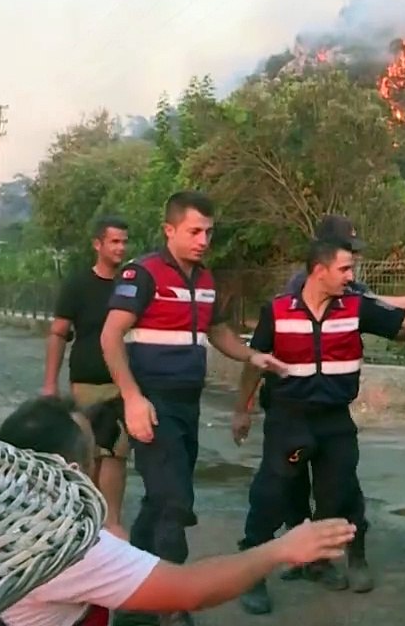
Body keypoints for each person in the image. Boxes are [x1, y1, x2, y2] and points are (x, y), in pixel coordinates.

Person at [232, 239, 405, 615]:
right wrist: (242, 409)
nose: (352, 277)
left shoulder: (354, 307)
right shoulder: (277, 310)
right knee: (272, 494)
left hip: (335, 419)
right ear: (318, 271)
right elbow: (254, 364)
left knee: (338, 496)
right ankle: (251, 573)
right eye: (345, 269)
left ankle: (322, 560)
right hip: (289, 418)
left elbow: (403, 325)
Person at [0, 395, 356, 626]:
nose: (98, 464)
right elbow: (191, 590)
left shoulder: (2, 510)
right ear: (71, 471)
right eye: (93, 456)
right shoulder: (67, 547)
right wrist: (282, 549)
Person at [99, 190, 289, 626]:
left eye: (208, 231)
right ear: (170, 230)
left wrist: (251, 357)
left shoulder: (205, 278)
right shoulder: (142, 272)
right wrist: (132, 398)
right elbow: (110, 337)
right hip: (152, 401)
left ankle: (131, 601)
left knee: (158, 501)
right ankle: (172, 603)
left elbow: (217, 331)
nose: (204, 239)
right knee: (174, 500)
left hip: (187, 404)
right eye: (194, 231)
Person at [42, 215, 132, 537]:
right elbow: (58, 334)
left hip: (122, 384)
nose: (121, 247)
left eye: (124, 241)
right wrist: (50, 385)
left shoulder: (132, 285)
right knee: (89, 454)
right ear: (98, 244)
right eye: (114, 241)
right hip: (86, 384)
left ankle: (113, 525)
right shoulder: (78, 285)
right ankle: (85, 526)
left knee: (117, 454)